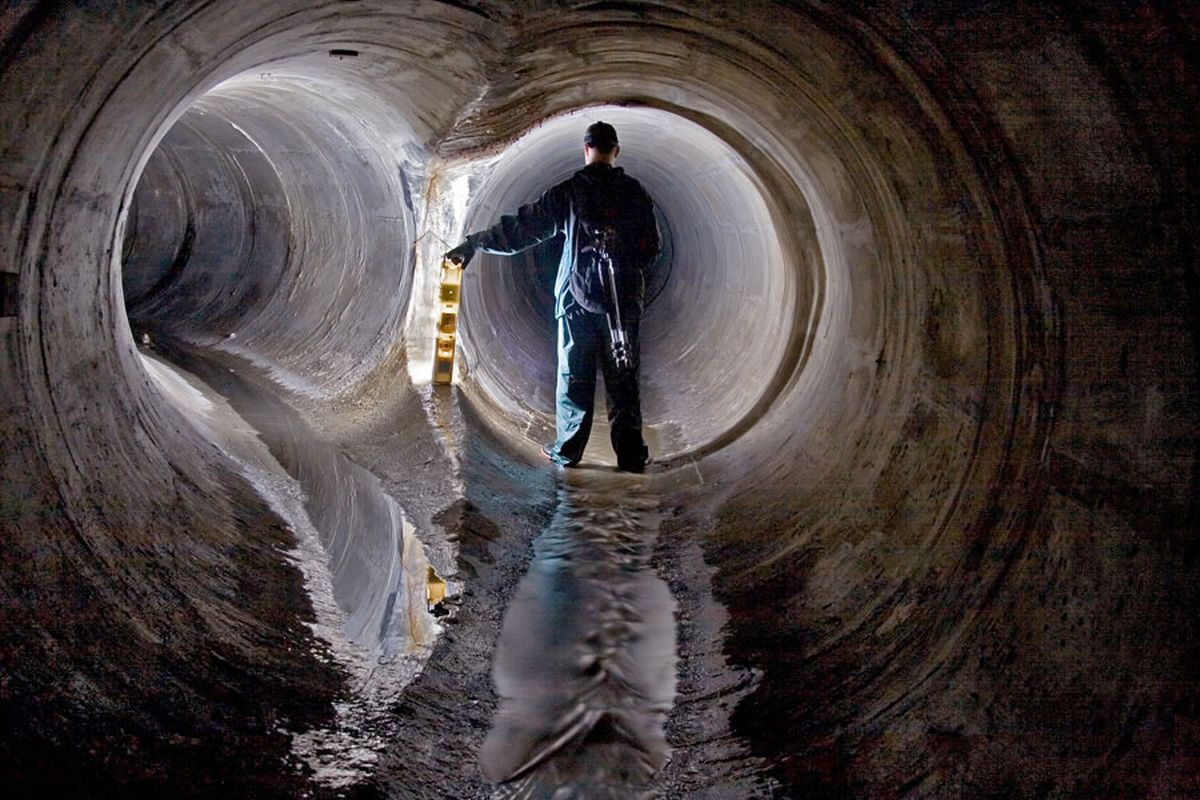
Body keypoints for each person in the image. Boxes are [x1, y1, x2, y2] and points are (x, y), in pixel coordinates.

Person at [445, 121, 661, 472]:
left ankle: (568, 451)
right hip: (622, 305)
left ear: (586, 149)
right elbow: (652, 249)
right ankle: (631, 455)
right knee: (623, 376)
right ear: (616, 151)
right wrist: (622, 255)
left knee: (574, 378)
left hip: (576, 301)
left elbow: (522, 230)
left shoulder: (570, 192)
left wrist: (477, 242)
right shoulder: (634, 193)